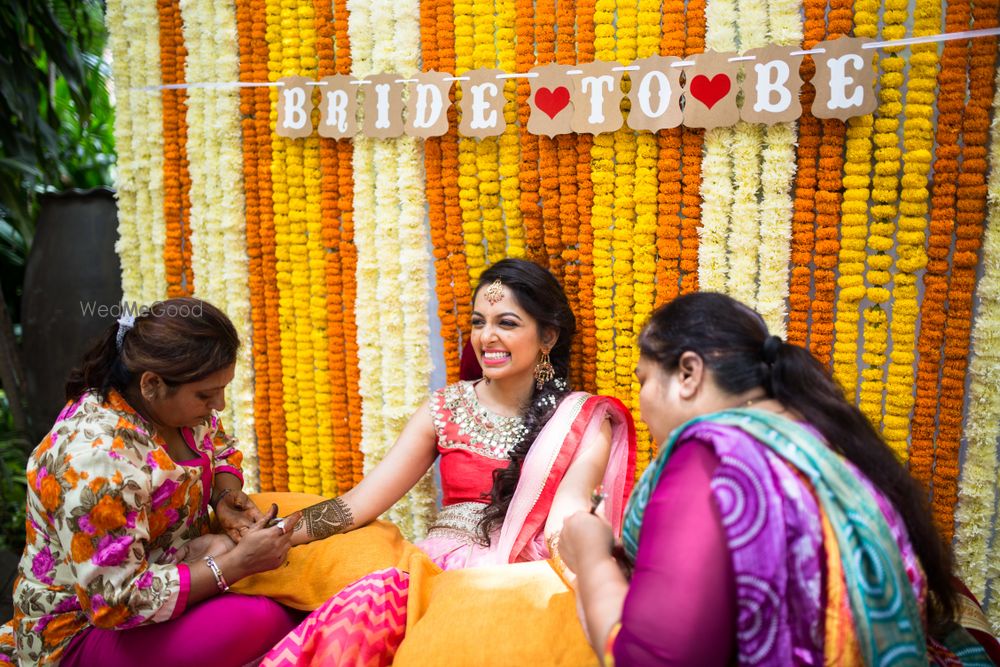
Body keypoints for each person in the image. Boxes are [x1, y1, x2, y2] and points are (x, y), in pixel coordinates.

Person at [560, 292, 993, 666]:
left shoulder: (712, 453)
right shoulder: (824, 443)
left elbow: (651, 658)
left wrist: (591, 555)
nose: (642, 402)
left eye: (644, 380)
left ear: (688, 374)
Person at [254, 258, 636, 665]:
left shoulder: (582, 419)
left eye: (506, 323)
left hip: (519, 575)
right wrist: (274, 535)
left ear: (548, 336)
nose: (486, 337)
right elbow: (359, 504)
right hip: (432, 570)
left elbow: (567, 519)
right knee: (363, 610)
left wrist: (593, 584)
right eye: (478, 322)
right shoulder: (446, 407)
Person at [0, 298, 302, 666]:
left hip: (172, 566)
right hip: (84, 633)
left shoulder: (174, 410)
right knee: (267, 618)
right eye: (207, 394)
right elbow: (116, 603)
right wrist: (236, 565)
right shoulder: (97, 460)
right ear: (152, 384)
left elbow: (217, 445)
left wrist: (225, 495)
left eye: (222, 389)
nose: (219, 405)